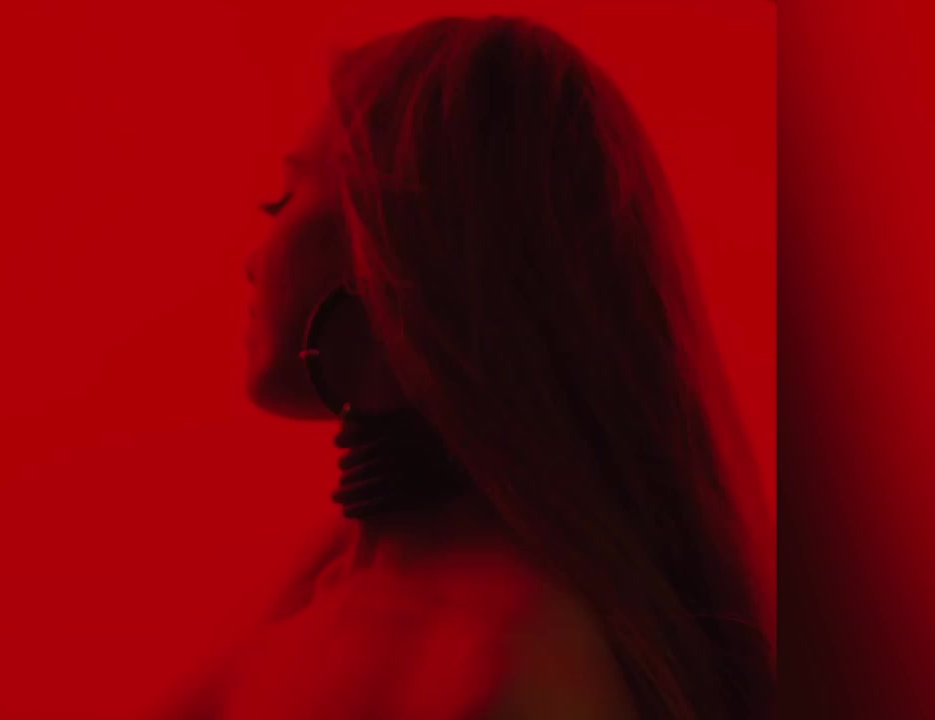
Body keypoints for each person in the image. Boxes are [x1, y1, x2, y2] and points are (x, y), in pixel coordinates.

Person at [163, 14, 774, 720]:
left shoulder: (506, 662)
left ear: (395, 243)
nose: (251, 259)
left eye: (284, 196)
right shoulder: (350, 595)